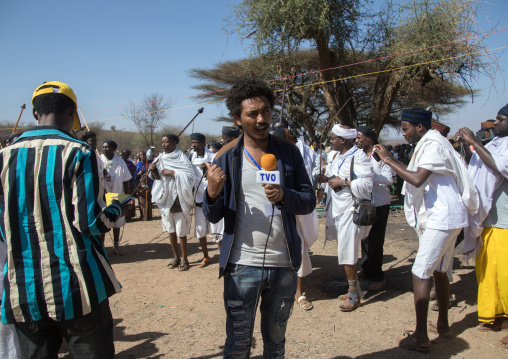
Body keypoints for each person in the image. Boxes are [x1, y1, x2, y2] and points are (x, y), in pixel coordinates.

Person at [0, 81, 129, 358]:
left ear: (35, 113)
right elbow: (91, 223)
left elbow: (3, 231)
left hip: (23, 288)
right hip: (78, 285)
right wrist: (117, 208)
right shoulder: (80, 153)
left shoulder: (3, 157)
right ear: (73, 112)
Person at [203, 77, 315, 358]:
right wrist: (213, 193)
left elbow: (309, 200)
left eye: (265, 110)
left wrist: (283, 195)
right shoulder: (226, 156)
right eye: (252, 114)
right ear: (238, 119)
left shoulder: (288, 153)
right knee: (238, 344)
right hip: (243, 265)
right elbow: (212, 214)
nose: (262, 118)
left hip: (284, 263)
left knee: (276, 343)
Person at [374, 107, 478, 353]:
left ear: (420, 127)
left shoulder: (432, 145)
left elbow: (418, 178)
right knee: (440, 270)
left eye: (406, 129)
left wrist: (388, 159)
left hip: (443, 217)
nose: (404, 133)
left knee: (421, 272)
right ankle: (443, 325)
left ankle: (420, 336)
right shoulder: (435, 142)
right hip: (450, 216)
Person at [459, 104, 508, 348]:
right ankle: (495, 315)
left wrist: (474, 143)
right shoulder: (497, 145)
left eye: (500, 119)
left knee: (507, 275)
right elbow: (479, 168)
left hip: (505, 222)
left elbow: (499, 167)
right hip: (489, 220)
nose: (495, 123)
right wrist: (466, 147)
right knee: (488, 270)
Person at [317, 124, 373, 312]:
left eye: (333, 138)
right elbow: (336, 177)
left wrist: (345, 182)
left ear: (342, 140)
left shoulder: (358, 156)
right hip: (338, 208)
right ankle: (355, 288)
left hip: (351, 208)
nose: (330, 141)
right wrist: (326, 179)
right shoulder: (336, 156)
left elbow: (367, 183)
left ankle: (354, 295)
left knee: (348, 252)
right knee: (344, 250)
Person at [272, 126, 318, 311]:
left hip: (295, 212)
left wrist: (286, 195)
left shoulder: (297, 156)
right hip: (272, 216)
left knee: (299, 249)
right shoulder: (264, 159)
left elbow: (304, 190)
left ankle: (299, 293)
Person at [355, 126, 396, 291]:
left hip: (379, 203)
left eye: (359, 138)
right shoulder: (359, 155)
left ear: (369, 138)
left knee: (376, 240)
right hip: (364, 202)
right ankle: (367, 269)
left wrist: (370, 176)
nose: (357, 141)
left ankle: (378, 277)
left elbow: (390, 179)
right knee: (364, 237)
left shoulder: (381, 155)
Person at [149, 134, 196, 271]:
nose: (163, 145)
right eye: (162, 142)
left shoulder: (181, 158)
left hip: (178, 199)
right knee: (170, 230)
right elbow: (158, 178)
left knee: (181, 232)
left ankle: (185, 259)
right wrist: (153, 171)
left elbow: (190, 176)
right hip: (165, 198)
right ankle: (175, 257)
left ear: (174, 143)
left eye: (166, 142)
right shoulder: (160, 158)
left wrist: (173, 172)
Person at [101, 140, 132, 255]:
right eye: (103, 147)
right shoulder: (99, 160)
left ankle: (116, 246)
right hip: (103, 196)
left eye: (107, 147)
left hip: (118, 195)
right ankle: (102, 248)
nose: (104, 149)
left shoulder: (121, 162)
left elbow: (126, 181)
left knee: (117, 222)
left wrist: (127, 199)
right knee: (103, 221)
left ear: (113, 149)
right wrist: (101, 173)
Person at [189, 132, 214, 268]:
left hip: (212, 198)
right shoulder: (191, 157)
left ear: (203, 143)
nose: (193, 145)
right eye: (192, 142)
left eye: (196, 142)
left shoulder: (212, 156)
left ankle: (223, 256)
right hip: (198, 199)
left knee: (216, 229)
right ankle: (206, 256)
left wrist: (209, 167)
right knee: (200, 229)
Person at [135, 150, 153, 221]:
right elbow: (135, 175)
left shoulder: (149, 164)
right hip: (141, 184)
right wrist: (140, 173)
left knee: (148, 199)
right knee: (142, 200)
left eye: (143, 155)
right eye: (141, 155)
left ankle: (149, 216)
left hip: (149, 183)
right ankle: (143, 216)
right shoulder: (138, 164)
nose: (142, 156)